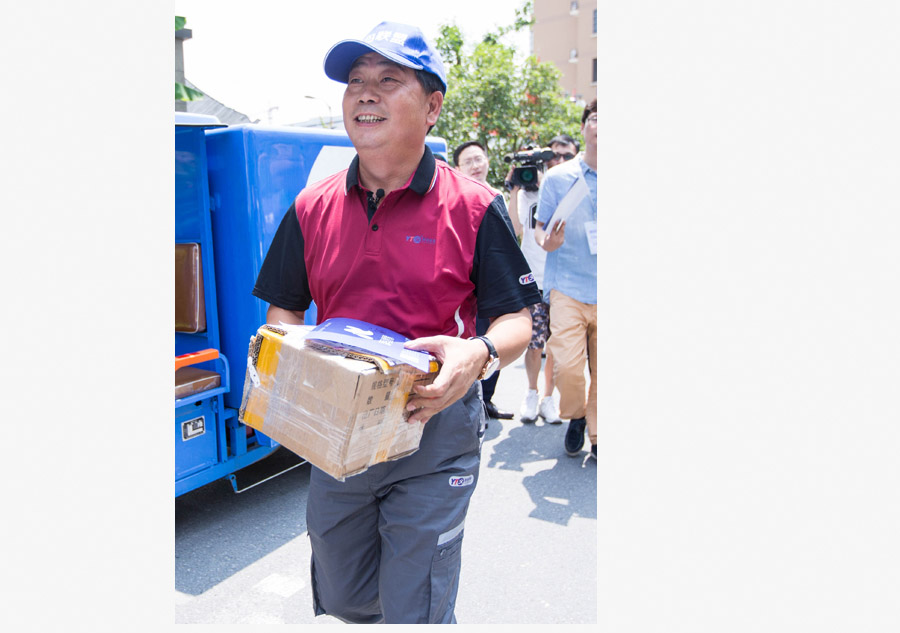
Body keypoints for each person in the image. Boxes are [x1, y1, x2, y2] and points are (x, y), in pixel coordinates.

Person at [252, 21, 539, 623]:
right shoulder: (311, 207)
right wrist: (289, 382)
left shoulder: (474, 207)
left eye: (388, 80)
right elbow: (284, 312)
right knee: (348, 595)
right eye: (355, 82)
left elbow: (516, 318)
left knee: (417, 606)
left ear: (432, 107)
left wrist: (478, 352)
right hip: (340, 437)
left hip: (433, 431)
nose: (365, 93)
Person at [534, 99, 598, 459]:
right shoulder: (560, 178)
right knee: (569, 367)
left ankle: (596, 433)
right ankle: (575, 413)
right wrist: (548, 241)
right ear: (584, 127)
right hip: (568, 286)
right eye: (593, 117)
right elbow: (542, 229)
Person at [507, 135, 580, 424]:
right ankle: (532, 393)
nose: (557, 163)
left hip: (563, 280)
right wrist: (513, 191)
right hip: (534, 279)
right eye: (552, 159)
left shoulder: (568, 190)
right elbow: (514, 229)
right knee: (535, 343)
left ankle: (549, 399)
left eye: (563, 158)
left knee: (557, 346)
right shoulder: (526, 196)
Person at [452, 140, 514, 420]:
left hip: (495, 285)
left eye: (479, 159)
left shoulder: (499, 196)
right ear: (458, 168)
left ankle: (487, 399)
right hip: (468, 290)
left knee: (495, 342)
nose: (476, 166)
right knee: (473, 341)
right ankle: (472, 398)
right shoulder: (458, 202)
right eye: (469, 162)